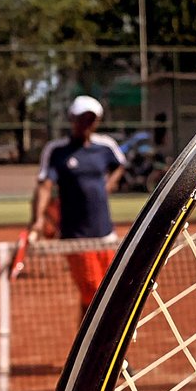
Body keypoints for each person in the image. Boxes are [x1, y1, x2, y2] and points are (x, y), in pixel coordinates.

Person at [31, 95, 125, 320]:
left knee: (109, 293)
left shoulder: (105, 146)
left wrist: (107, 185)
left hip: (105, 234)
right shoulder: (56, 151)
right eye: (82, 118)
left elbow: (120, 165)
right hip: (76, 237)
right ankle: (91, 350)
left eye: (91, 119)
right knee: (93, 292)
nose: (87, 124)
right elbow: (45, 186)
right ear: (72, 119)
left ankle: (93, 348)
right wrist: (37, 220)